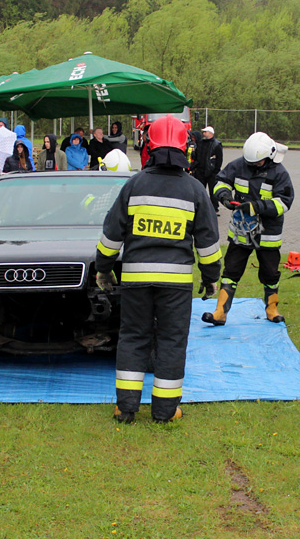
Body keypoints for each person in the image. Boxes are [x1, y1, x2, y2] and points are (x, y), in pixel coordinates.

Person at [94, 115, 221, 424]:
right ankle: (165, 411)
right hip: (176, 285)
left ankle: (125, 408)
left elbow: (111, 236)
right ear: (185, 150)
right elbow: (207, 244)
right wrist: (211, 278)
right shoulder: (194, 190)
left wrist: (104, 270)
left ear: (148, 147)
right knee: (171, 340)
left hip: (136, 279)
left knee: (134, 337)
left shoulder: (133, 185)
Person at [203, 132, 294, 326]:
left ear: (269, 156)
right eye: (251, 162)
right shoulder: (238, 165)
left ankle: (271, 308)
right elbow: (220, 182)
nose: (253, 166)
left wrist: (258, 207)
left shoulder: (280, 173)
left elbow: (284, 202)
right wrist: (224, 196)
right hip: (241, 230)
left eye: (258, 163)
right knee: (231, 270)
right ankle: (220, 312)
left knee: (270, 273)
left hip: (268, 233)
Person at [192, 126, 224, 214]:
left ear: (210, 133)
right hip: (200, 171)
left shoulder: (216, 144)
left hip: (212, 172)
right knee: (200, 190)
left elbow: (219, 160)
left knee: (212, 191)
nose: (203, 134)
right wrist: (194, 166)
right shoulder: (200, 143)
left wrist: (215, 171)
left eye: (205, 132)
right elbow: (197, 157)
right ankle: (199, 208)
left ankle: (215, 208)